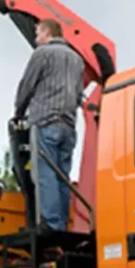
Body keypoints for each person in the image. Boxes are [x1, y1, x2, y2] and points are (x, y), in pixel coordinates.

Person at [13, 18, 84, 231]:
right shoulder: (77, 60)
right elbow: (79, 94)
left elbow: (27, 84)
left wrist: (18, 112)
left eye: (37, 34)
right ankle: (61, 224)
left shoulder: (42, 54)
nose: (36, 39)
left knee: (44, 173)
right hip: (69, 126)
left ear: (46, 32)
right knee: (63, 176)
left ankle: (51, 224)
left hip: (45, 120)